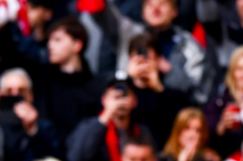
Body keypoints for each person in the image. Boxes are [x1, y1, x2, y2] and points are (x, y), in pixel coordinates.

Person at [79, 0, 215, 105]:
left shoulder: (188, 45)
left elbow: (199, 94)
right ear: (142, 12)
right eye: (149, 4)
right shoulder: (129, 34)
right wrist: (129, 77)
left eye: (163, 4)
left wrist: (168, 71)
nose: (155, 9)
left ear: (175, 11)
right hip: (131, 110)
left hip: (172, 114)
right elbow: (103, 14)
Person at [0, 16, 101, 142]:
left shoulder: (94, 87)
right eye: (50, 40)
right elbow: (10, 57)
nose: (50, 45)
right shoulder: (42, 75)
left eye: (57, 40)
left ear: (77, 45)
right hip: (45, 151)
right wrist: (4, 23)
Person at [67, 79, 149, 161]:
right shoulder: (89, 126)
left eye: (125, 96)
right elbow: (76, 157)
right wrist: (106, 116)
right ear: (104, 100)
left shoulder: (142, 131)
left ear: (134, 101)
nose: (120, 101)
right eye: (115, 97)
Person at [205, 46, 243, 159]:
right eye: (239, 69)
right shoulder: (219, 102)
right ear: (232, 72)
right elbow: (208, 140)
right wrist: (221, 127)